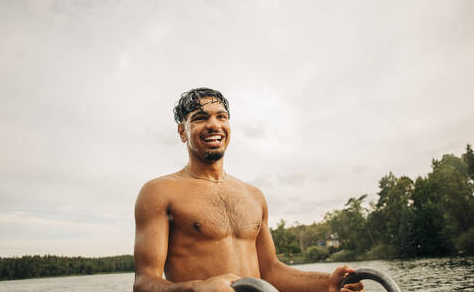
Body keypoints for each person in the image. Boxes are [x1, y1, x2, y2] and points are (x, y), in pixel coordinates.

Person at [134, 88, 364, 292]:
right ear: (182, 132)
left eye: (221, 116)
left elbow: (271, 271)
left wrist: (328, 283)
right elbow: (144, 282)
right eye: (200, 118)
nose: (214, 124)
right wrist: (198, 288)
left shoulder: (254, 196)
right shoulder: (159, 192)